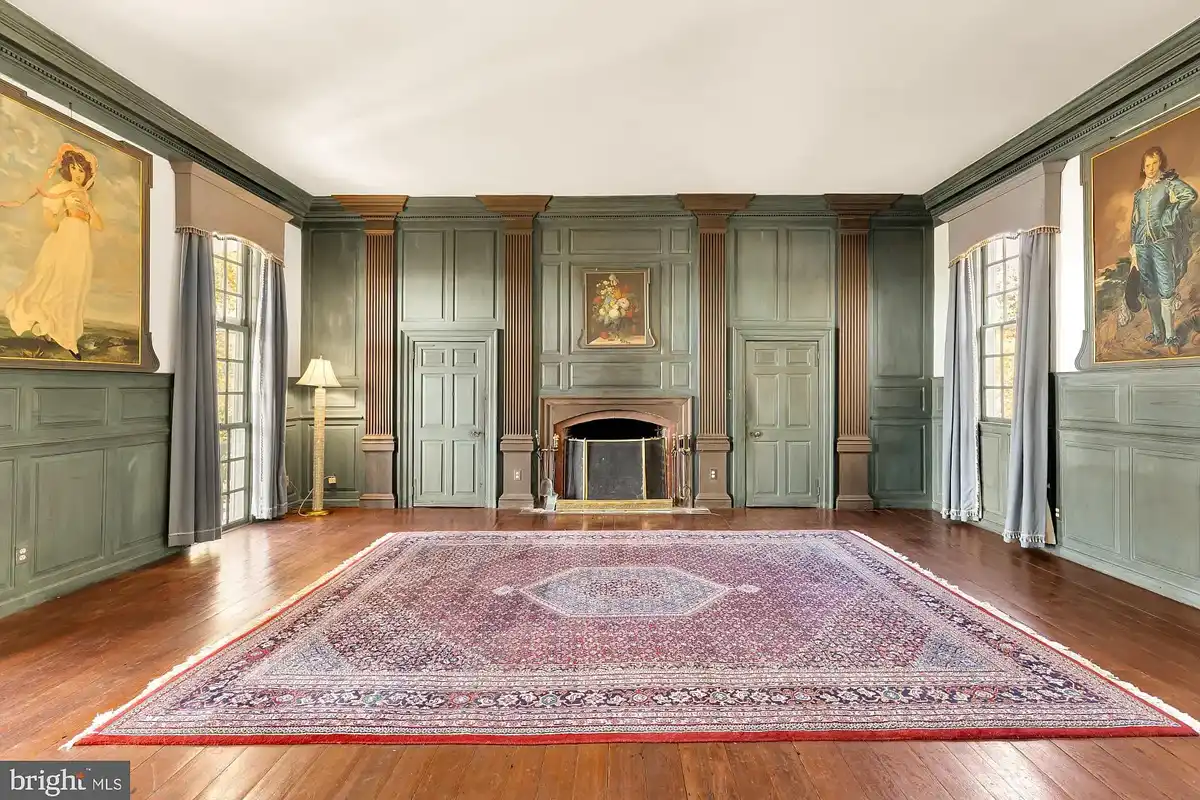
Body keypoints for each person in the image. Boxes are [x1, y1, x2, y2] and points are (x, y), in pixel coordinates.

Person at [2, 144, 103, 359]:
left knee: (75, 288)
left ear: (87, 173)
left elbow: (99, 226)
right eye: (74, 168)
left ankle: (65, 335)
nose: (78, 173)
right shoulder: (60, 189)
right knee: (54, 283)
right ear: (68, 169)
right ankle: (60, 335)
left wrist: (88, 207)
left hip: (82, 245)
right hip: (65, 240)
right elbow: (50, 220)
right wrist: (65, 219)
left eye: (82, 170)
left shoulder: (85, 196)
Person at [1119, 146, 1197, 354]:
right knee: (1148, 289)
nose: (1151, 168)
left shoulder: (1168, 184)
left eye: (1154, 163)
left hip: (1162, 243)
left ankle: (1171, 336)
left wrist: (1168, 218)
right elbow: (1135, 224)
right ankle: (1157, 331)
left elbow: (1189, 195)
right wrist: (1134, 248)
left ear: (1160, 163)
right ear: (1143, 168)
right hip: (1142, 247)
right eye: (1147, 165)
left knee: (1165, 287)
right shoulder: (1139, 194)